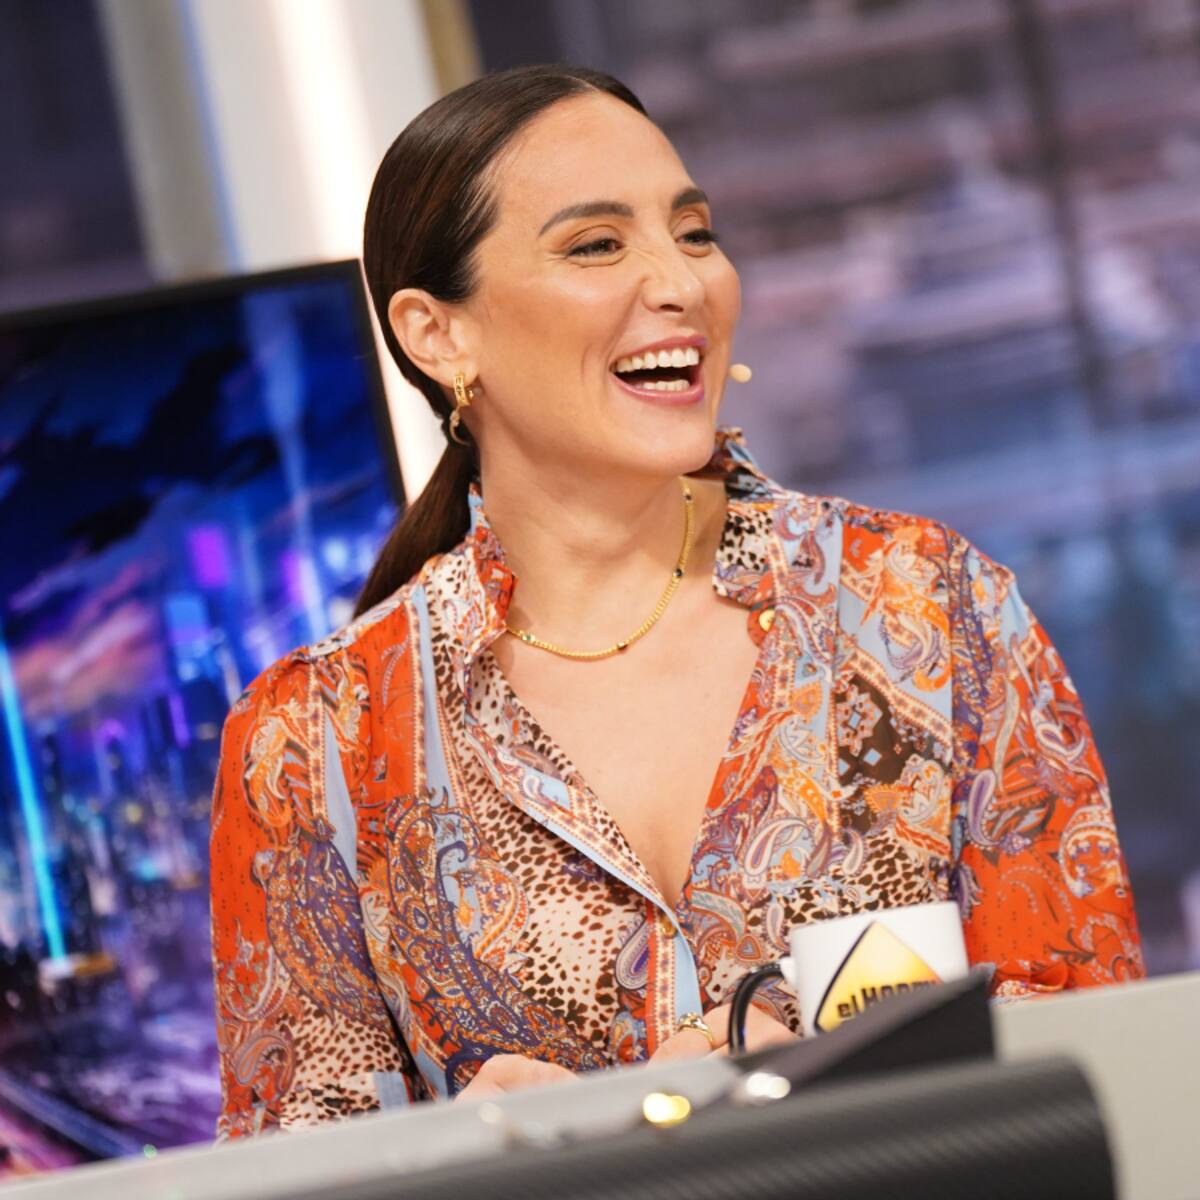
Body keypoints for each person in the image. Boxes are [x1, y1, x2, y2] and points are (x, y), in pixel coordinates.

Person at [208, 63, 1144, 1141]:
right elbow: (301, 1166)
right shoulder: (311, 743)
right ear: (437, 333)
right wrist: (457, 1158)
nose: (683, 283)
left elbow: (1103, 1078)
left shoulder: (933, 611)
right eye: (596, 245)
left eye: (693, 233)